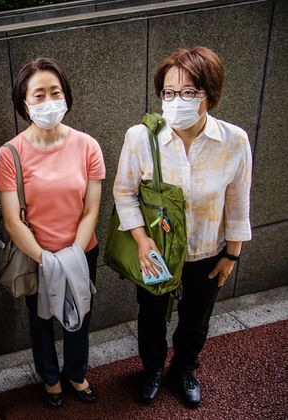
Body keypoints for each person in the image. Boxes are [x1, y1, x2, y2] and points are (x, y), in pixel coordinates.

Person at [113, 47, 252, 407]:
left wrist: (231, 256)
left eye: (189, 92)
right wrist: (143, 242)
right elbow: (124, 193)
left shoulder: (234, 141)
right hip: (156, 252)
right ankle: (154, 367)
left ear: (211, 93)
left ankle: (186, 368)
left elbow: (237, 202)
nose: (177, 101)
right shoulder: (141, 137)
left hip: (209, 253)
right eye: (169, 92)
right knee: (152, 315)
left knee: (196, 319)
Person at [0, 57, 105, 407]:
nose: (48, 101)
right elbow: (12, 221)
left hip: (82, 250)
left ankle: (76, 373)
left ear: (67, 96)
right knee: (40, 321)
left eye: (54, 92)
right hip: (36, 258)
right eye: (38, 95)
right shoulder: (9, 154)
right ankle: (50, 377)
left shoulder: (88, 146)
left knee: (80, 316)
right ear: (24, 102)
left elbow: (91, 209)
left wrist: (73, 253)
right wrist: (46, 259)